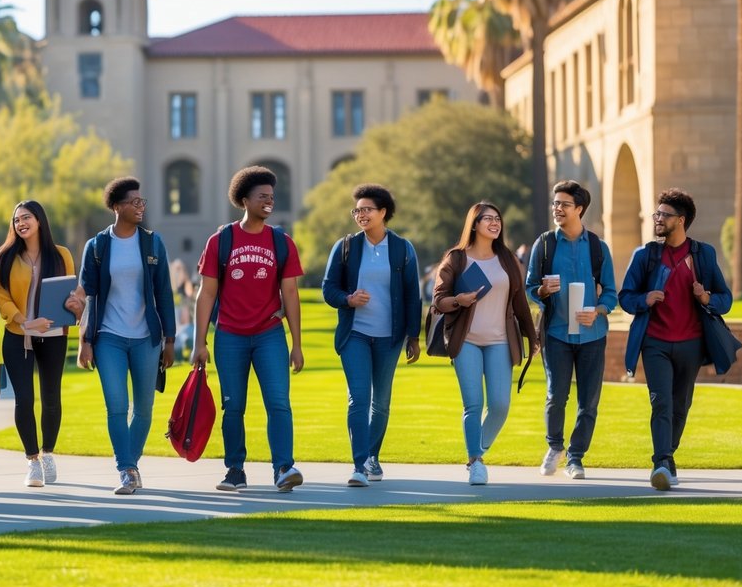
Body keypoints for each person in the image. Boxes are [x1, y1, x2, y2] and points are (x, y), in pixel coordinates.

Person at [192, 165, 305, 493]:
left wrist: (297, 344)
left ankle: (283, 468)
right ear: (244, 200)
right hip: (230, 336)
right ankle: (235, 470)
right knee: (233, 406)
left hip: (270, 335)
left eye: (272, 197)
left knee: (279, 403)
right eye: (262, 196)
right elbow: (206, 293)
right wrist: (200, 342)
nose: (269, 201)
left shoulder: (282, 242)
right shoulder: (221, 241)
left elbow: (290, 294)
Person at [618, 188, 733, 491]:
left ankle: (668, 457)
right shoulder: (645, 255)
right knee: (661, 402)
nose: (657, 219)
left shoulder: (703, 255)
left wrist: (706, 297)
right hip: (654, 342)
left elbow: (726, 299)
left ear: (681, 220)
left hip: (691, 343)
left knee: (681, 405)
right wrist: (644, 299)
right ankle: (660, 462)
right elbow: (626, 297)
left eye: (664, 215)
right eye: (656, 214)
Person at [76, 177, 177, 495]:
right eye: (134, 202)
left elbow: (164, 293)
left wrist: (170, 339)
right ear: (117, 207)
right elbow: (88, 296)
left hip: (147, 338)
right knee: (117, 406)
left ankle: (130, 465)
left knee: (144, 409)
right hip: (109, 337)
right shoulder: (96, 247)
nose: (140, 207)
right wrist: (84, 342)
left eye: (142, 201)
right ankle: (127, 469)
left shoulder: (153, 243)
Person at [321, 183, 421, 486]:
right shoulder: (346, 247)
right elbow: (329, 289)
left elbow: (412, 295)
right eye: (357, 210)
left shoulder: (402, 248)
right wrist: (348, 299)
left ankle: (372, 455)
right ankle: (359, 465)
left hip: (389, 337)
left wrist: (413, 336)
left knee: (381, 402)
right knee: (359, 398)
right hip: (355, 334)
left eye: (367, 209)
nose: (361, 215)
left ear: (383, 212)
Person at [433, 201, 537, 485]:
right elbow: (439, 299)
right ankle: (477, 462)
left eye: (497, 219)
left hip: (500, 342)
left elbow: (520, 302)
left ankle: (475, 451)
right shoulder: (457, 259)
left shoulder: (507, 259)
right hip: (465, 341)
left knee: (500, 405)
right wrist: (458, 300)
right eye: (487, 218)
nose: (494, 223)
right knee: (473, 405)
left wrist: (532, 337)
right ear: (474, 224)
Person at [524, 180, 618, 480]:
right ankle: (555, 446)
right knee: (556, 395)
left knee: (588, 401)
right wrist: (542, 290)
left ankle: (576, 457)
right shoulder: (545, 245)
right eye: (555, 203)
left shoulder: (598, 248)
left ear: (579, 209)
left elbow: (611, 293)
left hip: (593, 335)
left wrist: (598, 310)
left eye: (564, 204)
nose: (557, 209)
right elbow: (529, 287)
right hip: (556, 333)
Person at [0, 200, 82, 488]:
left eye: (26, 217)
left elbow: (70, 292)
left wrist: (74, 304)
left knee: (51, 398)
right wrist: (26, 322)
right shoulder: (5, 258)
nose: (21, 223)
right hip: (18, 336)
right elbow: (2, 299)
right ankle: (32, 461)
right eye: (16, 220)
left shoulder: (61, 255)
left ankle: (48, 453)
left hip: (53, 337)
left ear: (39, 220)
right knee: (24, 399)